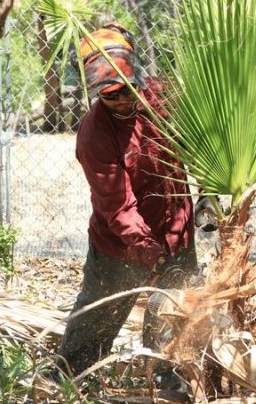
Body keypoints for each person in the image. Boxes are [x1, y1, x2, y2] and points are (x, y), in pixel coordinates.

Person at [56, 23, 201, 377]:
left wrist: (210, 192)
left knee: (172, 326)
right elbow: (119, 207)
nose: (123, 99)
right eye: (111, 94)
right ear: (96, 95)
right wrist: (153, 255)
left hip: (177, 234)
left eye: (128, 88)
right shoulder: (95, 135)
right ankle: (65, 388)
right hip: (118, 248)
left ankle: (164, 387)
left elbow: (204, 140)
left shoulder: (164, 98)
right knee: (92, 328)